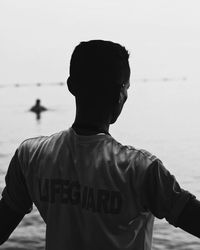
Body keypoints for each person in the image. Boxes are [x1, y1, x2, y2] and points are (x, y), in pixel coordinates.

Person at [0, 40, 200, 250]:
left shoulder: (30, 157)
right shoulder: (142, 170)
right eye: (126, 87)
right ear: (120, 93)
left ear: (71, 86)